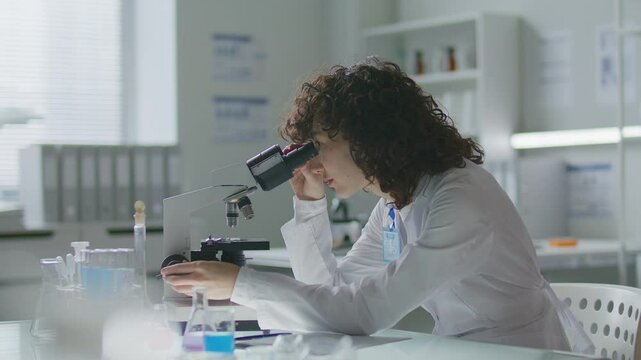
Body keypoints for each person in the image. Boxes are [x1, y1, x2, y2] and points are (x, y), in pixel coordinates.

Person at [162, 58, 594, 353]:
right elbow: (333, 298)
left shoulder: (460, 200)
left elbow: (366, 312)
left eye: (323, 146)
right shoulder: (395, 203)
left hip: (521, 354)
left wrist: (241, 284)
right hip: (463, 352)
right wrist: (310, 206)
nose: (313, 163)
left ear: (371, 139)